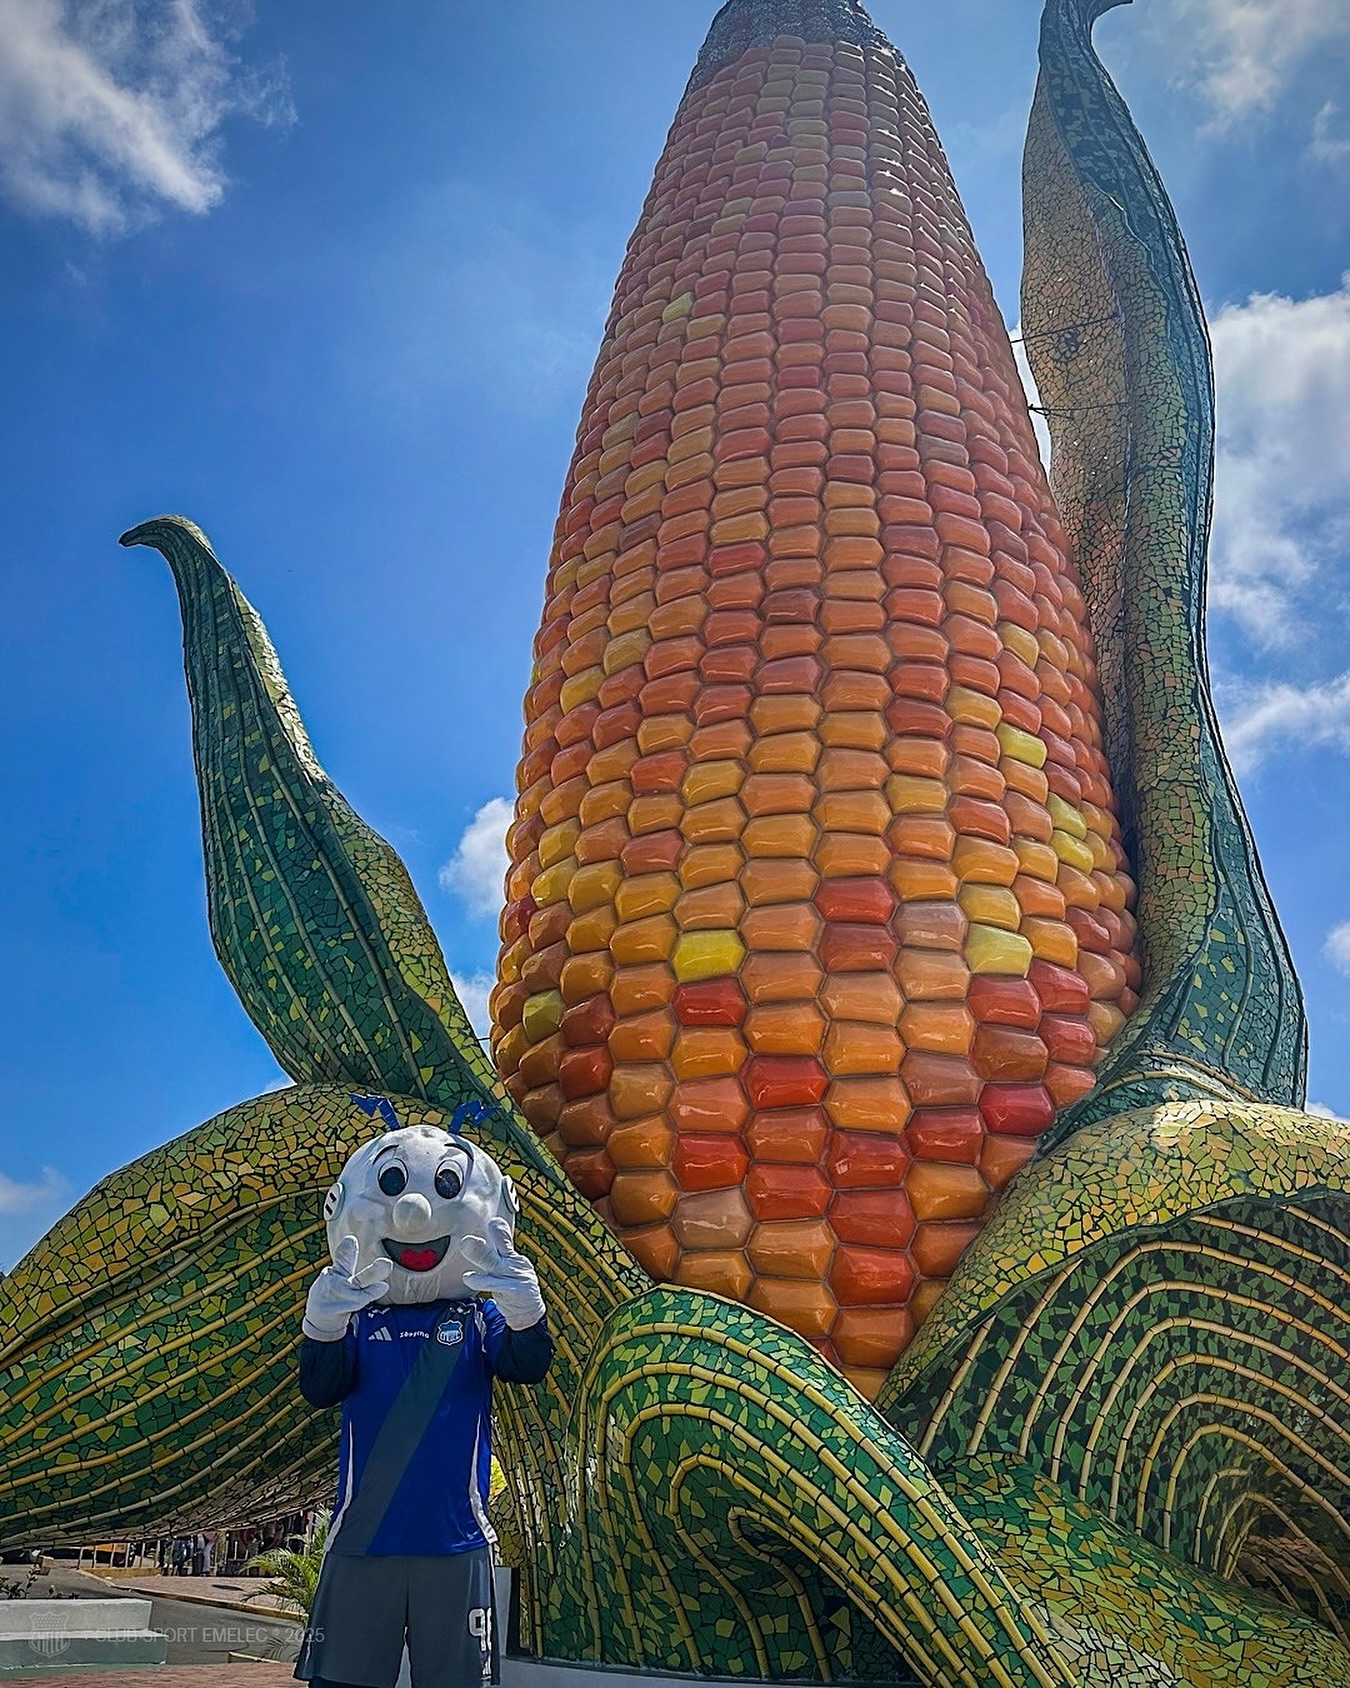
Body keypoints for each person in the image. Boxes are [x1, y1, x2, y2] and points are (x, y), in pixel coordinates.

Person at [294, 1110, 552, 1688]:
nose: (414, 1211)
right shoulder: (354, 1316)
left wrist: (524, 1309)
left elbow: (526, 1365)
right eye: (393, 1186)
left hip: (456, 1541)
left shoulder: (478, 1315)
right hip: (362, 1541)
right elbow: (320, 1387)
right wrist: (321, 1325)